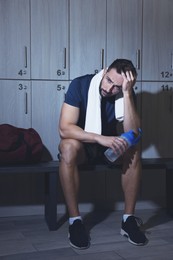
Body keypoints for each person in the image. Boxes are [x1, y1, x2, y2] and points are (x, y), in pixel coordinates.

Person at [58, 59, 147, 249]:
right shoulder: (80, 84)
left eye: (116, 87)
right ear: (104, 71)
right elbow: (65, 129)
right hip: (84, 147)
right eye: (108, 80)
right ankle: (75, 221)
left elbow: (134, 133)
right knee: (67, 147)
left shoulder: (126, 93)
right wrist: (100, 138)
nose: (109, 89)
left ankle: (128, 220)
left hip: (110, 148)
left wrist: (127, 93)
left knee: (134, 147)